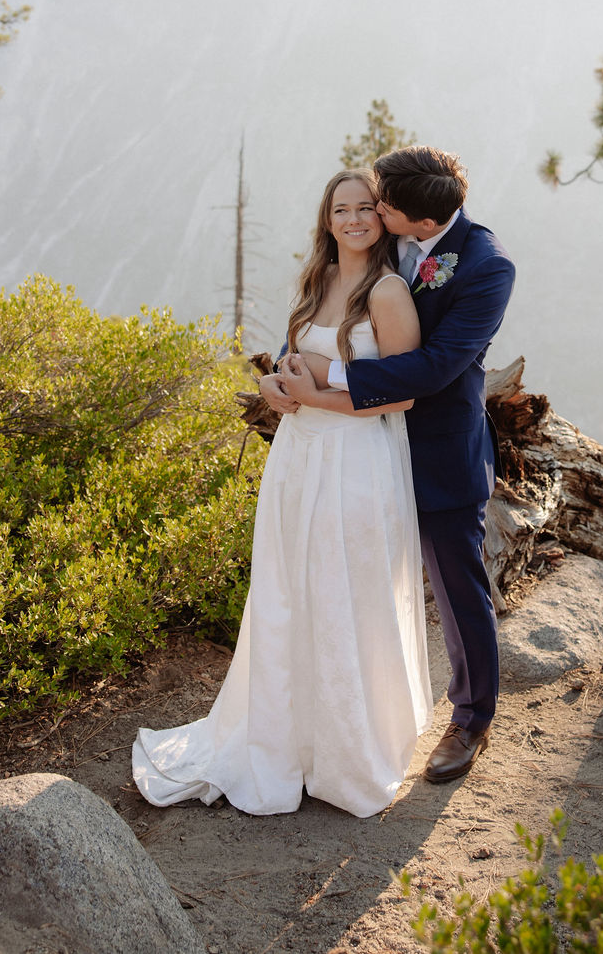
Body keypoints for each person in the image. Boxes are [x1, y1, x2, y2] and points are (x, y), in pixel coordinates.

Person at [131, 168, 433, 818]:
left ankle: (347, 756)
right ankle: (286, 741)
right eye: (341, 209)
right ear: (327, 221)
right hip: (298, 456)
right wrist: (277, 389)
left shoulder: (388, 292)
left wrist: (312, 394)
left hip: (354, 461)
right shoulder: (319, 283)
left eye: (364, 209)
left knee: (343, 592)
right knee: (288, 593)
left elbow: (403, 392)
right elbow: (294, 362)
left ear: (382, 218)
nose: (354, 219)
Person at [272, 146, 516, 786]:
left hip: (435, 451)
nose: (371, 210)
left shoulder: (487, 268)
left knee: (457, 588)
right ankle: (340, 716)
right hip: (356, 455)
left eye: (381, 204)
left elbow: (436, 369)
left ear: (415, 218)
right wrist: (285, 368)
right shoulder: (380, 248)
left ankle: (471, 719)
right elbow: (327, 313)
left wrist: (328, 375)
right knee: (345, 584)